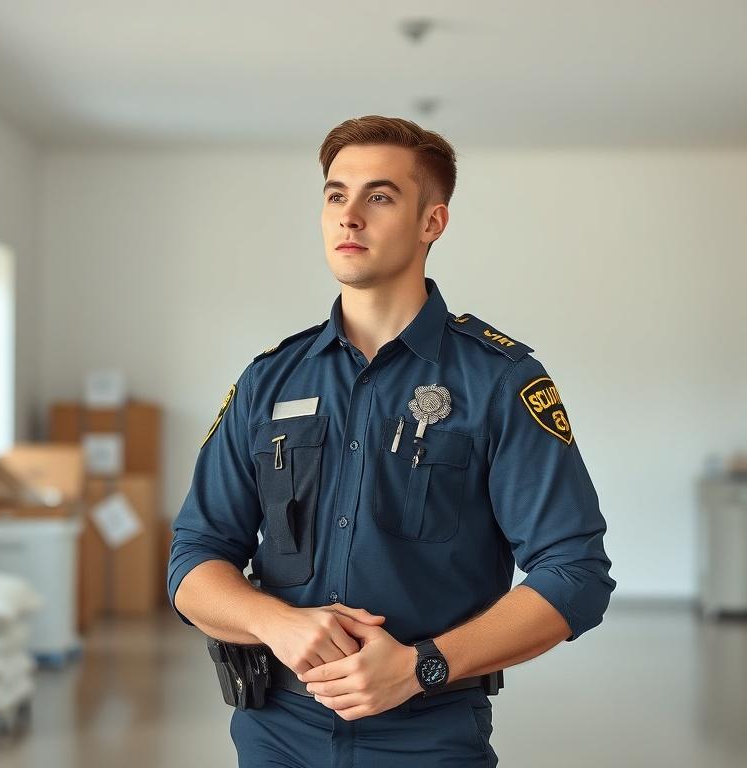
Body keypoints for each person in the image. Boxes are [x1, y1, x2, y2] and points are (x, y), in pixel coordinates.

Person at [167, 115, 615, 767]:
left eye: (379, 197)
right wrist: (279, 624)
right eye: (334, 194)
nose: (349, 216)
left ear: (432, 223)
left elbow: (575, 572)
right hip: (275, 734)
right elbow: (195, 556)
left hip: (428, 736)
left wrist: (421, 666)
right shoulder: (268, 380)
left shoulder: (501, 381)